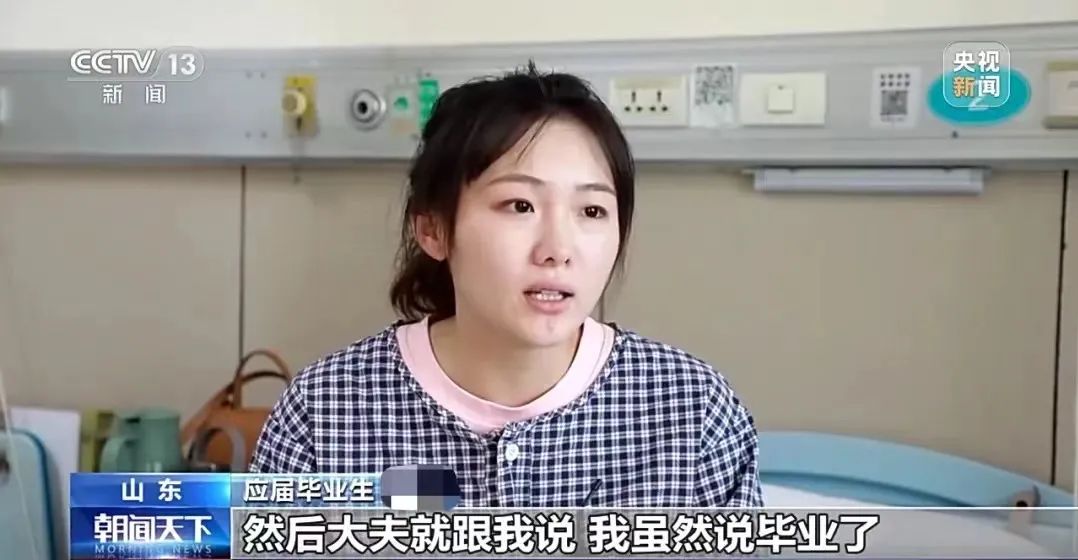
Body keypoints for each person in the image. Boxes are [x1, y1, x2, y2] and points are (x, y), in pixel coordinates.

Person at [249, 62, 762, 508]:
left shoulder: (692, 412)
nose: (558, 249)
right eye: (520, 205)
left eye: (591, 211)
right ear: (434, 229)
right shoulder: (326, 410)